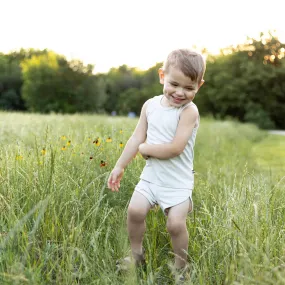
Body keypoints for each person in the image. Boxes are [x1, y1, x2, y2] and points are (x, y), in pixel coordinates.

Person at [107, 49, 206, 278]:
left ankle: (181, 267)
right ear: (162, 76)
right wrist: (120, 165)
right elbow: (136, 137)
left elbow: (175, 148)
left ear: (199, 85)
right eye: (174, 84)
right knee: (135, 210)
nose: (180, 93)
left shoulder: (189, 111)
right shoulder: (150, 105)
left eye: (189, 88)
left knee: (175, 225)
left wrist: (145, 149)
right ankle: (136, 255)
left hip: (178, 182)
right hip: (152, 177)